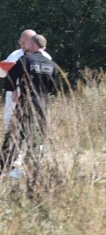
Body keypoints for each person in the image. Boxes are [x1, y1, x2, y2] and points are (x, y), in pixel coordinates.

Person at [1, 34, 58, 180]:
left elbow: (11, 77)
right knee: (37, 137)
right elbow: (53, 89)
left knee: (13, 134)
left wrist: (15, 89)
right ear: (43, 47)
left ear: (32, 45)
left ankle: (6, 167)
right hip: (43, 105)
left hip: (26, 102)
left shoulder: (25, 59)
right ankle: (33, 169)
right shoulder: (51, 65)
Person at [3, 29, 51, 132]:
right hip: (11, 97)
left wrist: (19, 88)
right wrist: (3, 67)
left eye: (24, 42)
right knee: (10, 126)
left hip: (33, 97)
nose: (21, 45)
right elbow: (3, 75)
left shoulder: (45, 58)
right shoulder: (15, 54)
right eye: (20, 42)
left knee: (34, 126)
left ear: (32, 42)